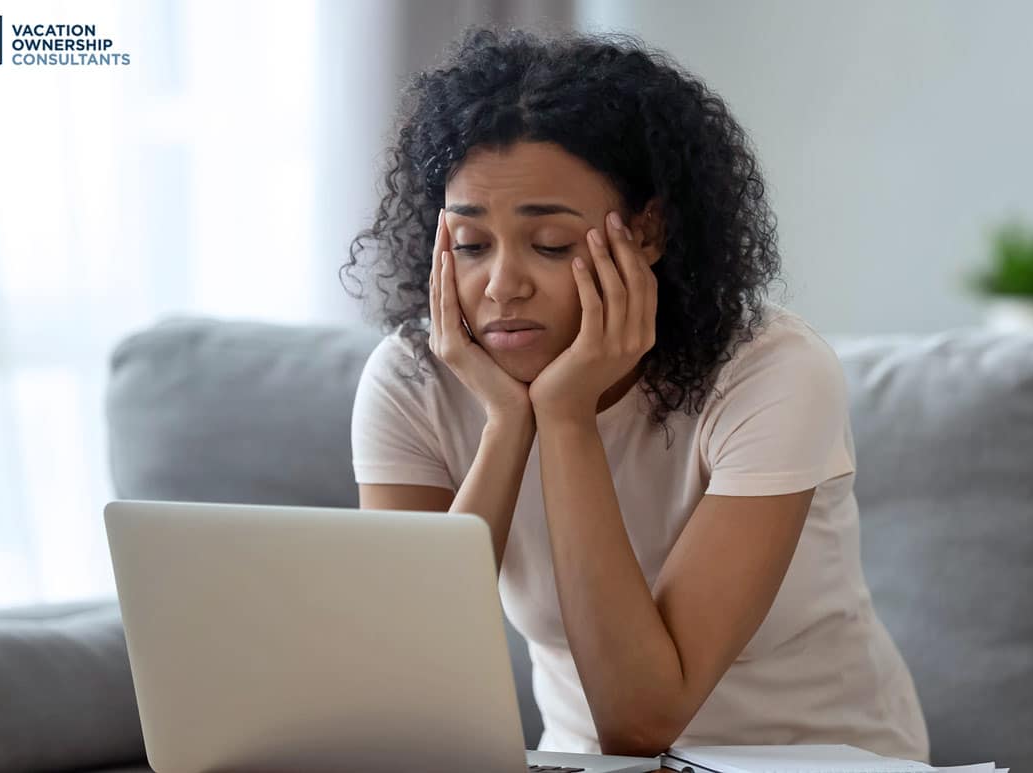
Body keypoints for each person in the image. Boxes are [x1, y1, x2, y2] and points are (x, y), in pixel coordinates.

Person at [343, 25, 929, 763]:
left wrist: (564, 416)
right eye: (469, 245)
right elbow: (394, 679)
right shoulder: (411, 382)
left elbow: (643, 718)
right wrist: (504, 425)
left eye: (549, 244)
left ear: (645, 230)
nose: (500, 285)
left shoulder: (771, 371)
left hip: (816, 758)